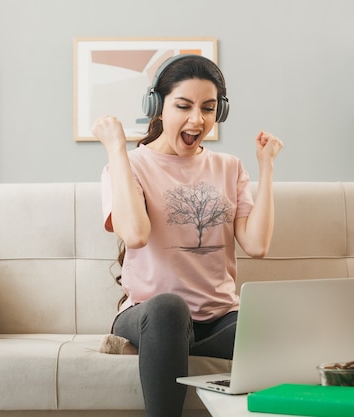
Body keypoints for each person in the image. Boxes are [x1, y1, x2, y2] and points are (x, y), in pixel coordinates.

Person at [92, 54, 283, 417]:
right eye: (184, 106)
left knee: (273, 323)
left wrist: (267, 167)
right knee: (169, 308)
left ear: (219, 112)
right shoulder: (127, 166)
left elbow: (257, 246)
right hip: (149, 312)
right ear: (157, 107)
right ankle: (163, 341)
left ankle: (167, 348)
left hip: (220, 315)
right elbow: (134, 234)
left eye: (208, 108)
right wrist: (117, 149)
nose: (197, 119)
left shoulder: (229, 167)